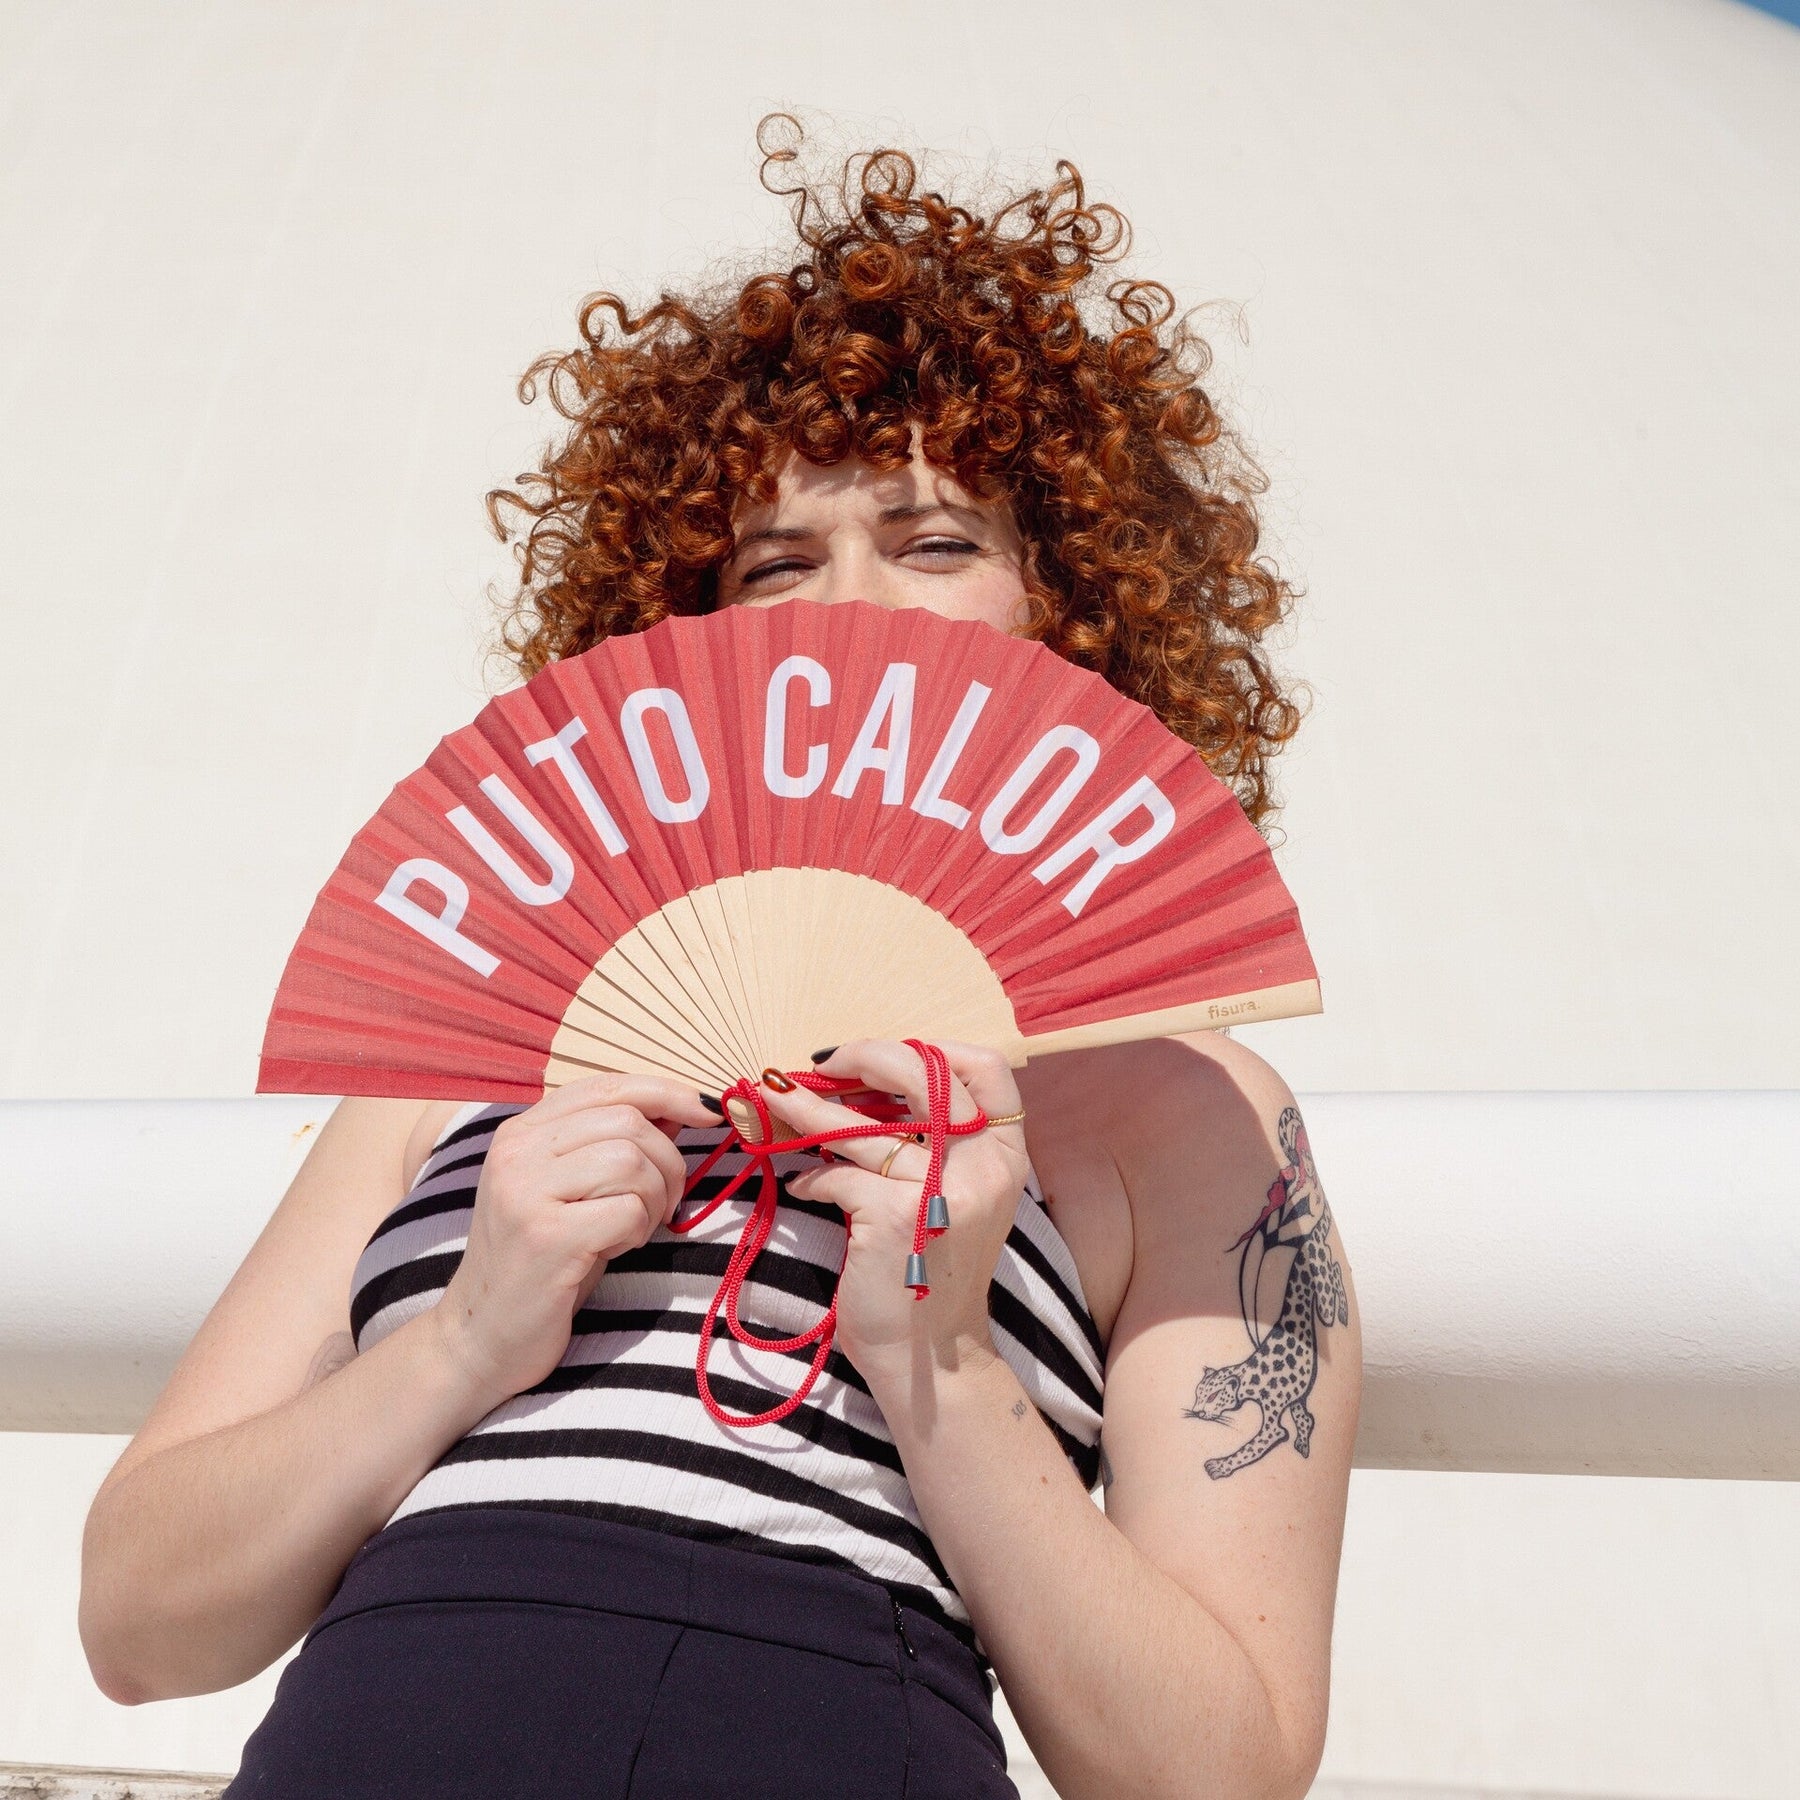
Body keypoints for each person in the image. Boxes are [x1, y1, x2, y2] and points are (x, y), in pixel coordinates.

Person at [79, 116, 1362, 1800]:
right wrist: (465, 1336)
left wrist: (946, 1362)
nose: (849, 604)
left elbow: (1222, 1770)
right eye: (775, 562)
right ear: (684, 624)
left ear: (1069, 604)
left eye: (937, 541)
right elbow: (138, 1621)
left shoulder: (1182, 1106)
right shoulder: (485, 1047)